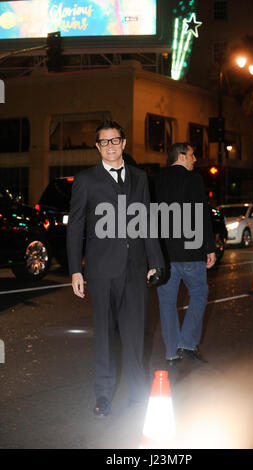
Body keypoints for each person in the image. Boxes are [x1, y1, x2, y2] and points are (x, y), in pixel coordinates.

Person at [67, 120, 164, 417]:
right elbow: (76, 228)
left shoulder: (140, 178)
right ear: (97, 147)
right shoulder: (86, 180)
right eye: (104, 142)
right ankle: (104, 394)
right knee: (106, 336)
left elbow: (147, 221)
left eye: (115, 140)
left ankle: (138, 391)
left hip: (135, 269)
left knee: (135, 335)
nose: (110, 146)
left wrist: (155, 261)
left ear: (123, 143)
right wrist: (75, 269)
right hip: (101, 270)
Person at [155, 142, 216, 366]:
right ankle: (188, 343)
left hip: (166, 254)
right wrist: (209, 246)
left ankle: (171, 353)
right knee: (199, 294)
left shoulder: (158, 180)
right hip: (191, 252)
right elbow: (201, 213)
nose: (195, 159)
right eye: (192, 155)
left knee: (167, 303)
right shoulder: (194, 179)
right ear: (181, 156)